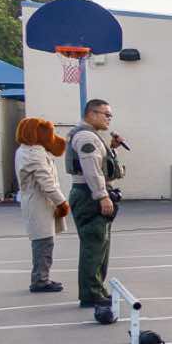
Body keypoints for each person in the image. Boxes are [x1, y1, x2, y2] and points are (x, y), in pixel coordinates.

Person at [66, 98, 124, 313]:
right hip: (88, 194)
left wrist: (112, 148)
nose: (109, 119)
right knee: (94, 245)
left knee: (100, 245)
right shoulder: (85, 137)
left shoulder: (90, 136)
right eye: (106, 114)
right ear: (91, 114)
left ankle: (97, 288)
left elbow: (100, 163)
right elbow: (91, 169)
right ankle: (91, 294)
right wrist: (102, 196)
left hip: (89, 192)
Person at [13, 117, 69, 295]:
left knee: (44, 241)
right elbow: (47, 183)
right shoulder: (33, 154)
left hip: (37, 201)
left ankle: (42, 277)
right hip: (39, 202)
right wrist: (62, 202)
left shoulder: (26, 150)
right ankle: (40, 280)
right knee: (43, 242)